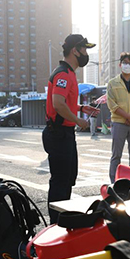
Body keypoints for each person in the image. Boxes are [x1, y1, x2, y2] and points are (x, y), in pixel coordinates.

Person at [42, 34, 98, 224]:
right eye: (84, 49)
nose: (85, 53)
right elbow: (57, 104)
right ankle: (56, 225)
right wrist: (78, 120)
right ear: (75, 50)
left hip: (63, 135)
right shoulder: (63, 74)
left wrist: (81, 108)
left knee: (67, 179)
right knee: (60, 181)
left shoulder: (69, 74)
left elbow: (64, 102)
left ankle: (61, 220)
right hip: (58, 134)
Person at [106, 52, 130, 183]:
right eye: (125, 63)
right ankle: (114, 182)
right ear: (120, 64)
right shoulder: (112, 83)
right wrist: (128, 116)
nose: (127, 65)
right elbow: (112, 104)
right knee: (116, 155)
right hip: (119, 123)